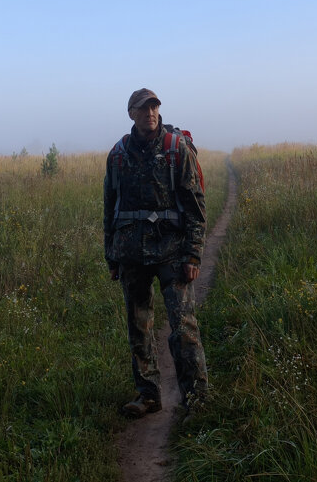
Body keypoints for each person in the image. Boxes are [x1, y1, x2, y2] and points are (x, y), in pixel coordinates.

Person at [103, 88, 208, 417]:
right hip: (131, 253)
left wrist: (193, 254)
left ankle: (195, 400)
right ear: (131, 114)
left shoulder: (177, 149)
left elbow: (194, 205)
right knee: (139, 326)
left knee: (183, 327)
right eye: (143, 108)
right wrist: (112, 256)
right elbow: (110, 208)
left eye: (154, 107)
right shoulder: (118, 155)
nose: (150, 112)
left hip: (172, 252)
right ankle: (148, 395)